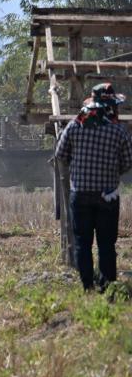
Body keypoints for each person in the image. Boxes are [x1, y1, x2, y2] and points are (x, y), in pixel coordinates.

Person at [54, 82, 132, 292]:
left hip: (80, 193)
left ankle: (87, 286)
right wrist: (110, 172)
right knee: (106, 244)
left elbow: (60, 155)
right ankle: (107, 287)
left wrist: (78, 165)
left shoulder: (74, 125)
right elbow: (127, 162)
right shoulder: (119, 130)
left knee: (83, 242)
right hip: (108, 195)